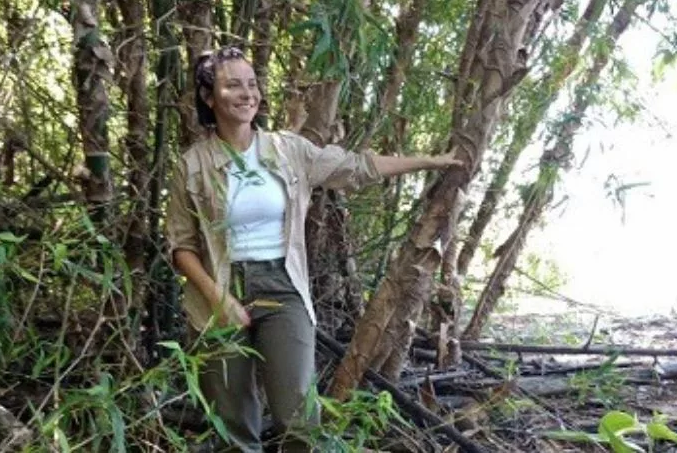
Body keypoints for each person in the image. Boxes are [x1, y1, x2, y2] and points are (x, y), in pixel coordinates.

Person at [165, 46, 463, 452]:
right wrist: (219, 299)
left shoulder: (287, 149)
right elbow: (181, 246)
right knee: (232, 426)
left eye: (252, 84)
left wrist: (429, 161)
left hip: (282, 284)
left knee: (299, 417)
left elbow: (356, 167)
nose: (247, 93)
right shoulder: (192, 164)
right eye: (233, 85)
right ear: (208, 96)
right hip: (218, 288)